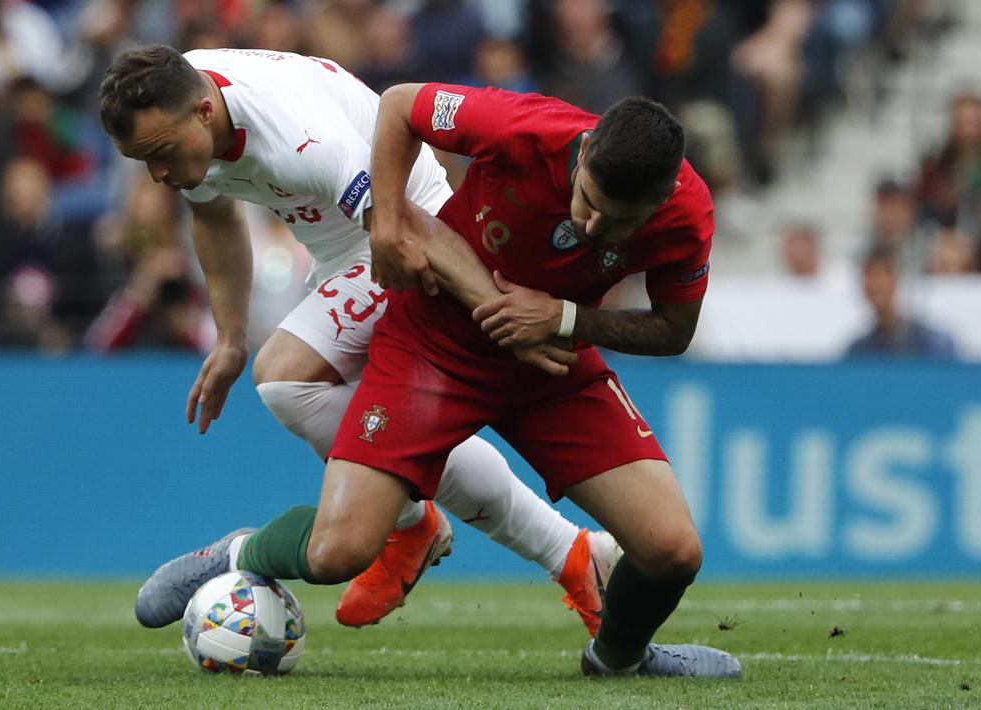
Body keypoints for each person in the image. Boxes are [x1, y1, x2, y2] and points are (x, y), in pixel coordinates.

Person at [212, 82, 741, 677]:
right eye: (588, 200)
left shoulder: (687, 214)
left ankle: (617, 659)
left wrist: (565, 318)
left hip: (551, 367)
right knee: (338, 553)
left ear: (662, 198)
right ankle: (235, 553)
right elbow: (401, 104)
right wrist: (387, 222)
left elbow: (674, 331)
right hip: (432, 347)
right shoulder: (524, 128)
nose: (591, 226)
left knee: (673, 551)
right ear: (586, 152)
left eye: (619, 221)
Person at [97, 45, 620, 635]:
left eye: (161, 154)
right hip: (343, 249)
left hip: (412, 225)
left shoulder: (298, 135)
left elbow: (402, 230)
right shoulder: (184, 98)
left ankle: (416, 525)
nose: (157, 174)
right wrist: (230, 337)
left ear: (203, 113)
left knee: (286, 375)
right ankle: (566, 553)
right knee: (388, 424)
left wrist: (495, 313)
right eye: (143, 160)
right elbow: (214, 214)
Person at [847, 246, 956, 359]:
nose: (877, 283)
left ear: (897, 279)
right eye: (870, 274)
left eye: (884, 274)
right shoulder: (858, 349)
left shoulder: (929, 342)